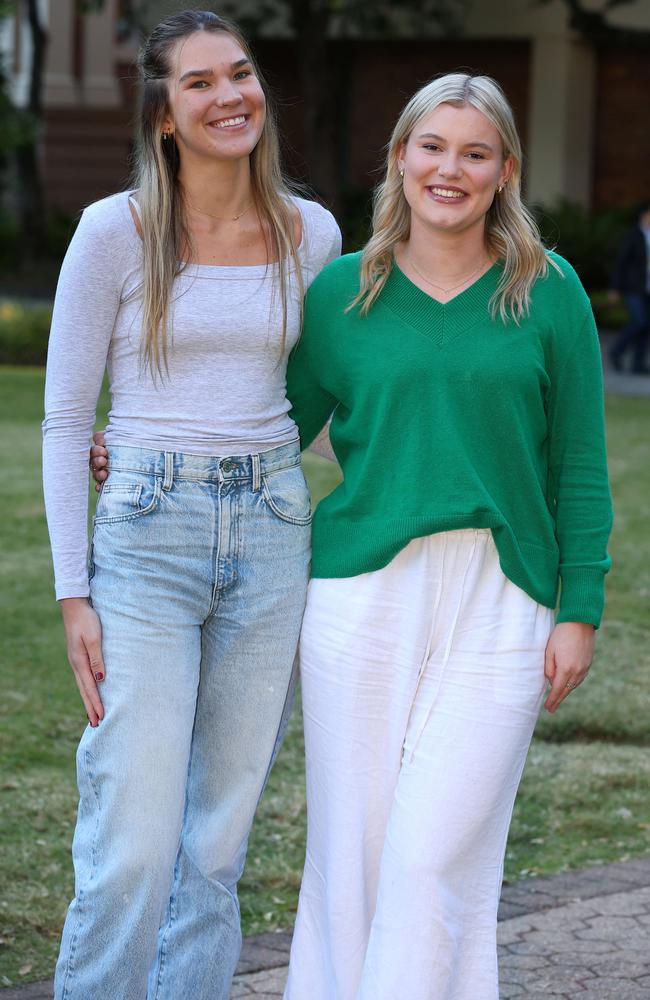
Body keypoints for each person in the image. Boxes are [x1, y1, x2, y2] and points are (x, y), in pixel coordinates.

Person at [279, 73, 612, 1000]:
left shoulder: (548, 294)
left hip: (503, 596)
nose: (449, 169)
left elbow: (579, 464)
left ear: (506, 170)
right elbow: (270, 430)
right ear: (398, 159)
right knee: (355, 852)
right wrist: (144, 446)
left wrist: (577, 605)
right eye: (432, 146)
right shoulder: (343, 293)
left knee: (433, 858)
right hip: (358, 595)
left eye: (474, 152)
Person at [42, 9, 339, 1000]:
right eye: (201, 83)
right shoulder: (113, 232)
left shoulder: (313, 233)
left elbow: (313, 396)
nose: (231, 97)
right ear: (163, 113)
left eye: (241, 74)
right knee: (131, 835)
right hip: (146, 534)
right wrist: (73, 592)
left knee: (215, 840)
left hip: (270, 529)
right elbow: (59, 420)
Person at [609, 200, 650, 373]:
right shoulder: (633, 235)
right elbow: (622, 262)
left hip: (648, 288)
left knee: (647, 326)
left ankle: (638, 364)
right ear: (644, 215)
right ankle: (616, 351)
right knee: (640, 321)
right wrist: (615, 288)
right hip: (633, 287)